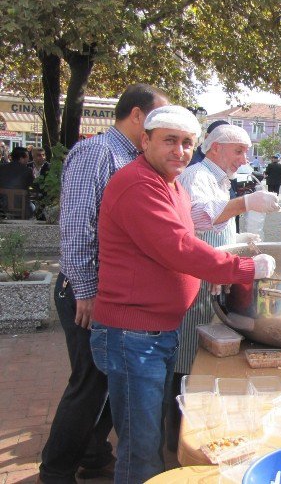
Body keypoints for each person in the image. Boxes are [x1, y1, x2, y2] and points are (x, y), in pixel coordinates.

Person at [90, 105, 275, 483]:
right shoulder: (139, 183)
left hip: (156, 330)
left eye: (187, 143)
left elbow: (190, 236)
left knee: (151, 433)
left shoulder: (170, 183)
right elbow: (177, 248)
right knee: (140, 446)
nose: (179, 151)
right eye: (169, 141)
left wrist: (229, 250)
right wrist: (244, 269)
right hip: (133, 335)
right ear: (145, 141)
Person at [39, 84, 170, 484]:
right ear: (136, 115)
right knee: (90, 383)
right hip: (89, 293)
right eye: (159, 119)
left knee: (114, 379)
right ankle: (56, 469)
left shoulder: (135, 157)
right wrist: (85, 290)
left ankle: (94, 454)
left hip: (114, 295)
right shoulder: (96, 153)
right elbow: (77, 229)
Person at [167, 124, 280, 450]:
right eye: (238, 151)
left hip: (212, 281)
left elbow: (214, 226)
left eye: (246, 151)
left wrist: (237, 240)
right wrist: (246, 204)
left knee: (199, 356)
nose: (244, 158)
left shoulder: (217, 179)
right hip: (195, 283)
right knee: (186, 361)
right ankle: (178, 439)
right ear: (214, 148)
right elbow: (200, 217)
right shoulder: (197, 175)